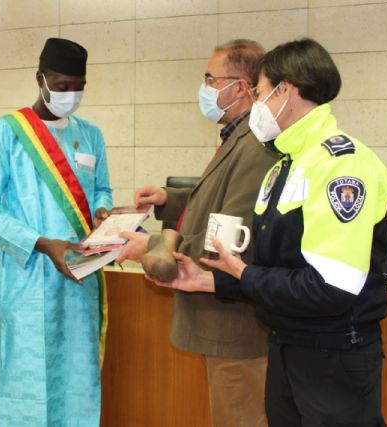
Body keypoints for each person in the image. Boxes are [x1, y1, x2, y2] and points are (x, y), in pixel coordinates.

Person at [156, 38, 387, 427]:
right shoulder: (283, 165)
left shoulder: (342, 166)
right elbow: (275, 266)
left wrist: (245, 275)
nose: (256, 103)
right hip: (286, 343)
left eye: (260, 92)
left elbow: (331, 288)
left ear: (286, 91)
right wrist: (209, 281)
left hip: (334, 355)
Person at [116, 40, 278, 427]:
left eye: (210, 79)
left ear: (240, 88)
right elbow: (217, 201)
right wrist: (169, 200)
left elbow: (230, 241)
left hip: (234, 327)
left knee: (240, 417)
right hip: (225, 322)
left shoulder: (256, 147)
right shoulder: (238, 138)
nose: (204, 88)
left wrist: (150, 245)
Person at [0, 37, 113, 426]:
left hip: (78, 278)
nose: (71, 94)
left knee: (77, 381)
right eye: (62, 85)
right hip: (28, 280)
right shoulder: (5, 133)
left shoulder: (91, 134)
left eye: (78, 86)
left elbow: (102, 188)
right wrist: (43, 243)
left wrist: (101, 211)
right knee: (25, 383)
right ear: (40, 79)